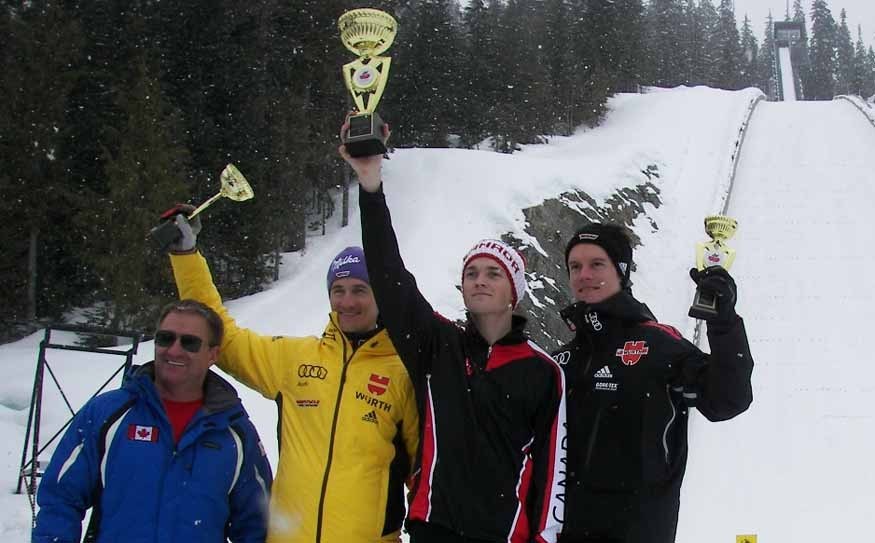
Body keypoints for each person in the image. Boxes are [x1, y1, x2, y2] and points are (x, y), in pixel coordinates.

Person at [341, 137, 567, 543]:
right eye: (471, 273)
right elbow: (391, 279)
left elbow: (553, 469)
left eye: (492, 273)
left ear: (513, 293)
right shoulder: (438, 345)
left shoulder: (542, 371)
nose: (479, 279)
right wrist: (371, 187)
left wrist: (544, 538)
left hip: (502, 535)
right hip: (433, 528)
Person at [164, 208, 419, 543]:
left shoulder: (403, 373)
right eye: (338, 290)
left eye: (360, 289)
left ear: (381, 295)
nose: (347, 301)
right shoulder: (296, 360)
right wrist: (186, 256)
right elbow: (223, 339)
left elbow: (424, 476)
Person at [553, 223, 754, 543]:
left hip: (636, 531)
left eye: (596, 264)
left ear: (620, 271)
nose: (583, 275)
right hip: (563, 532)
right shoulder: (561, 360)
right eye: (575, 266)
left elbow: (727, 399)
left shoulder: (658, 345)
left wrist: (724, 323)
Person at [33, 299, 273, 543]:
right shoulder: (108, 413)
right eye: (165, 338)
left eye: (189, 343)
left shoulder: (234, 431)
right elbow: (59, 499)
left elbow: (258, 526)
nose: (174, 350)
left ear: (213, 354)